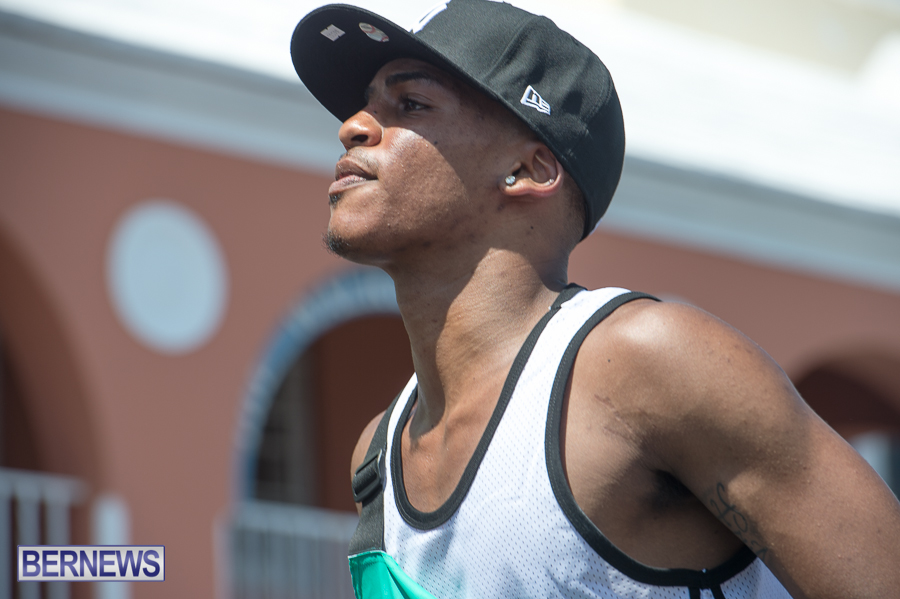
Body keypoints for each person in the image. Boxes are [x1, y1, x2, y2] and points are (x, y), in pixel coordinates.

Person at [289, 1, 900, 597]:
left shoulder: (651, 366)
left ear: (528, 170)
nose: (352, 127)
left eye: (411, 103)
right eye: (365, 103)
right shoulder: (377, 457)